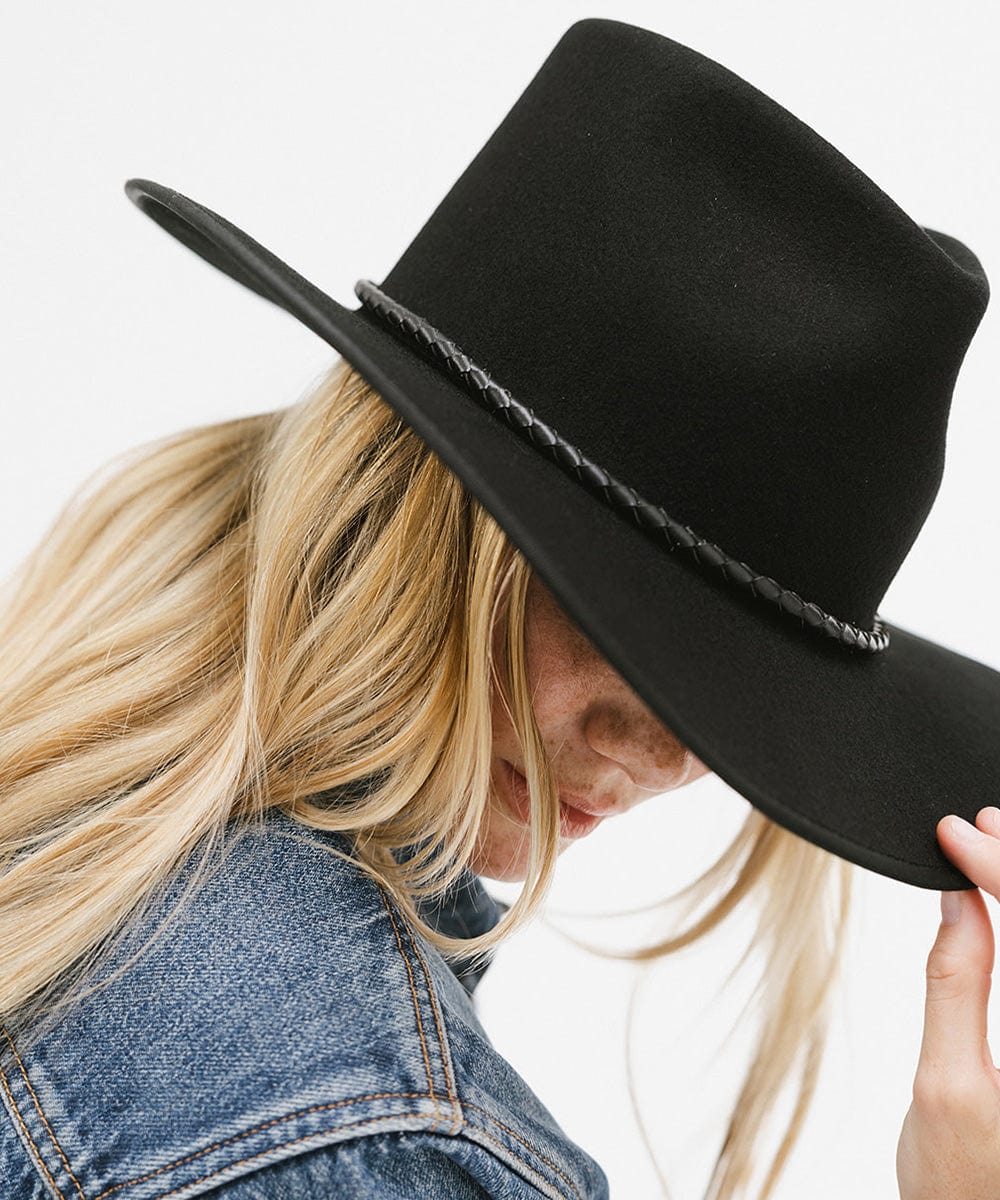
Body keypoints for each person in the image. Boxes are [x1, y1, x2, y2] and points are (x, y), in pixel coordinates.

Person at [2, 16, 998, 1200]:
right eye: (627, 626)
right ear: (422, 520)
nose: (666, 759)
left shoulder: (75, 844)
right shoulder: (382, 1134)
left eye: (735, 701)